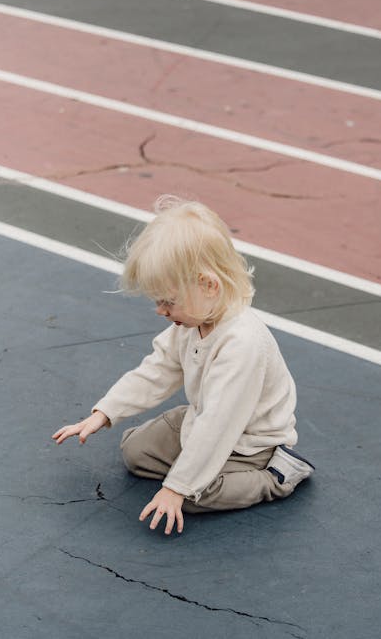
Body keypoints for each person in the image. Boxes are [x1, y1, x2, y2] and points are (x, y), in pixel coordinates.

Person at [52, 196, 314, 535]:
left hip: (248, 442)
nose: (160, 310)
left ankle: (275, 477)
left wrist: (176, 488)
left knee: (193, 495)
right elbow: (157, 370)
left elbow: (219, 424)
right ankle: (191, 469)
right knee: (135, 452)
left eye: (167, 301)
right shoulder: (192, 321)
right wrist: (103, 413)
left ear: (208, 285)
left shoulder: (242, 344)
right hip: (201, 418)